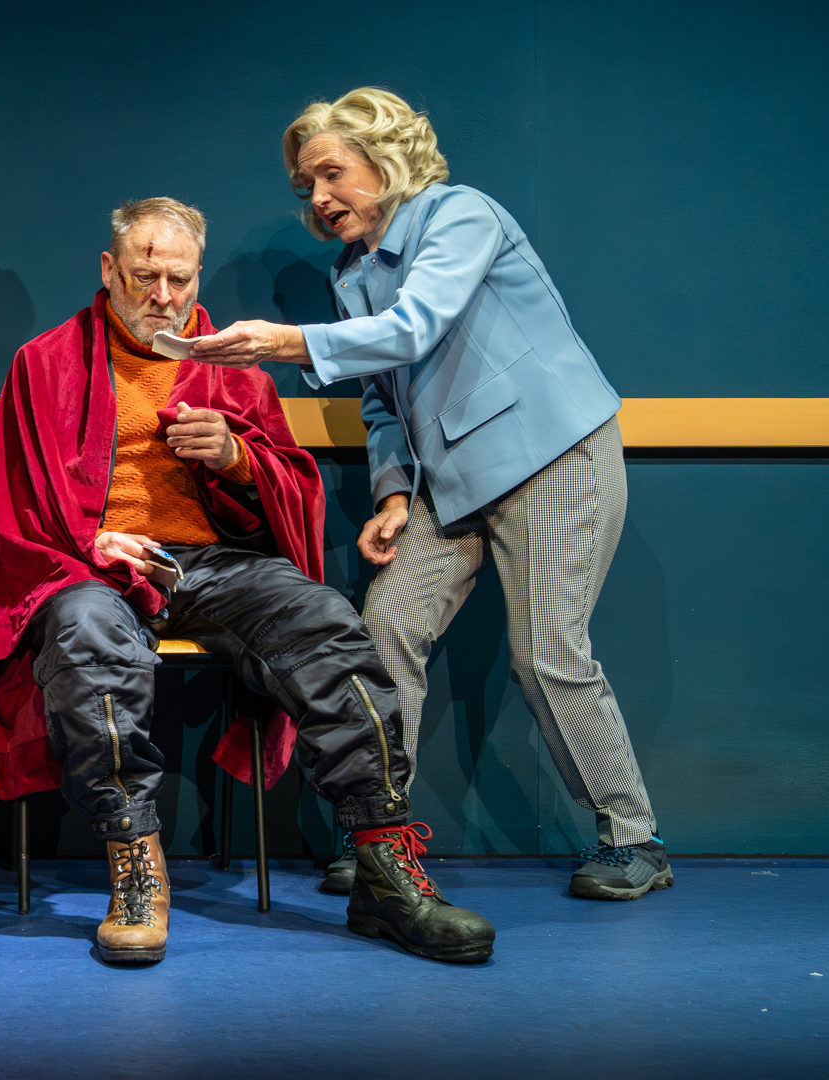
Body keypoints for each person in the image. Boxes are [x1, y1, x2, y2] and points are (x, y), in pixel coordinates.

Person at [0, 197, 495, 964]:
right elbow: (11, 507)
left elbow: (290, 489)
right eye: (143, 276)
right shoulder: (45, 362)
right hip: (91, 566)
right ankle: (135, 860)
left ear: (197, 276)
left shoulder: (231, 366)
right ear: (108, 269)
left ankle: (383, 860)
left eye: (178, 279)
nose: (162, 296)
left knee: (324, 621)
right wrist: (91, 540)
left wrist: (238, 460)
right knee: (85, 631)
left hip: (210, 564)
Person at [194, 88, 670, 902]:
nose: (319, 197)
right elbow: (383, 404)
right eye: (307, 185)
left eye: (332, 173)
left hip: (551, 454)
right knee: (382, 633)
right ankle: (382, 836)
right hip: (450, 487)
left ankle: (634, 839)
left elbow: (416, 326)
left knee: (547, 655)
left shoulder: (459, 215)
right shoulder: (351, 274)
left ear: (385, 159)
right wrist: (390, 497)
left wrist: (285, 341)